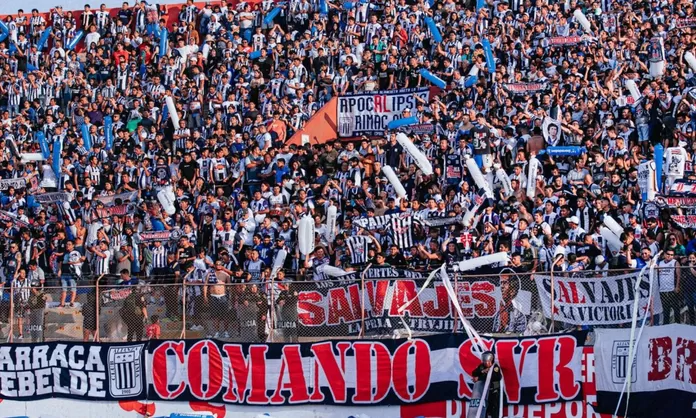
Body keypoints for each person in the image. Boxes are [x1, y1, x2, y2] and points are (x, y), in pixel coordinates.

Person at [472, 351, 502, 418]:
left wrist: (479, 378)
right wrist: (482, 371)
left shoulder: (495, 367)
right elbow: (474, 373)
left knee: (494, 408)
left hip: (494, 391)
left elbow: (495, 377)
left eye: (488, 361)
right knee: (484, 407)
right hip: (484, 392)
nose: (486, 363)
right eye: (485, 361)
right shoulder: (482, 366)